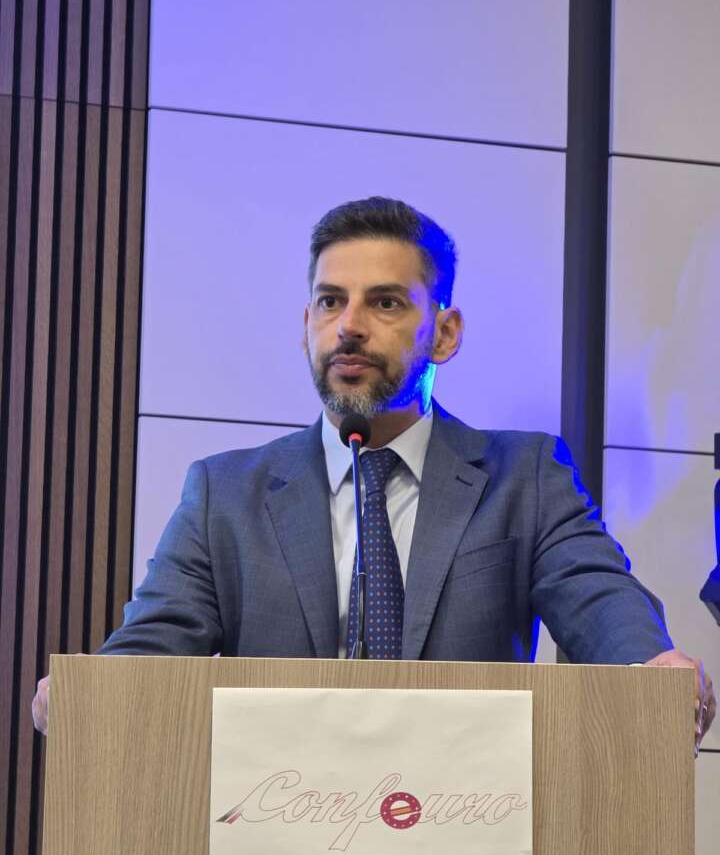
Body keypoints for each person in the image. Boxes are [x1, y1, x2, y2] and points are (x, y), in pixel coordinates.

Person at [32, 196, 715, 746]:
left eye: (385, 302)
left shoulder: (524, 476)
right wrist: (92, 693)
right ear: (306, 323)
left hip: (468, 828)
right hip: (275, 827)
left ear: (444, 333)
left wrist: (650, 666)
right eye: (331, 302)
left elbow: (597, 597)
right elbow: (154, 643)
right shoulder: (225, 494)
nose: (349, 327)